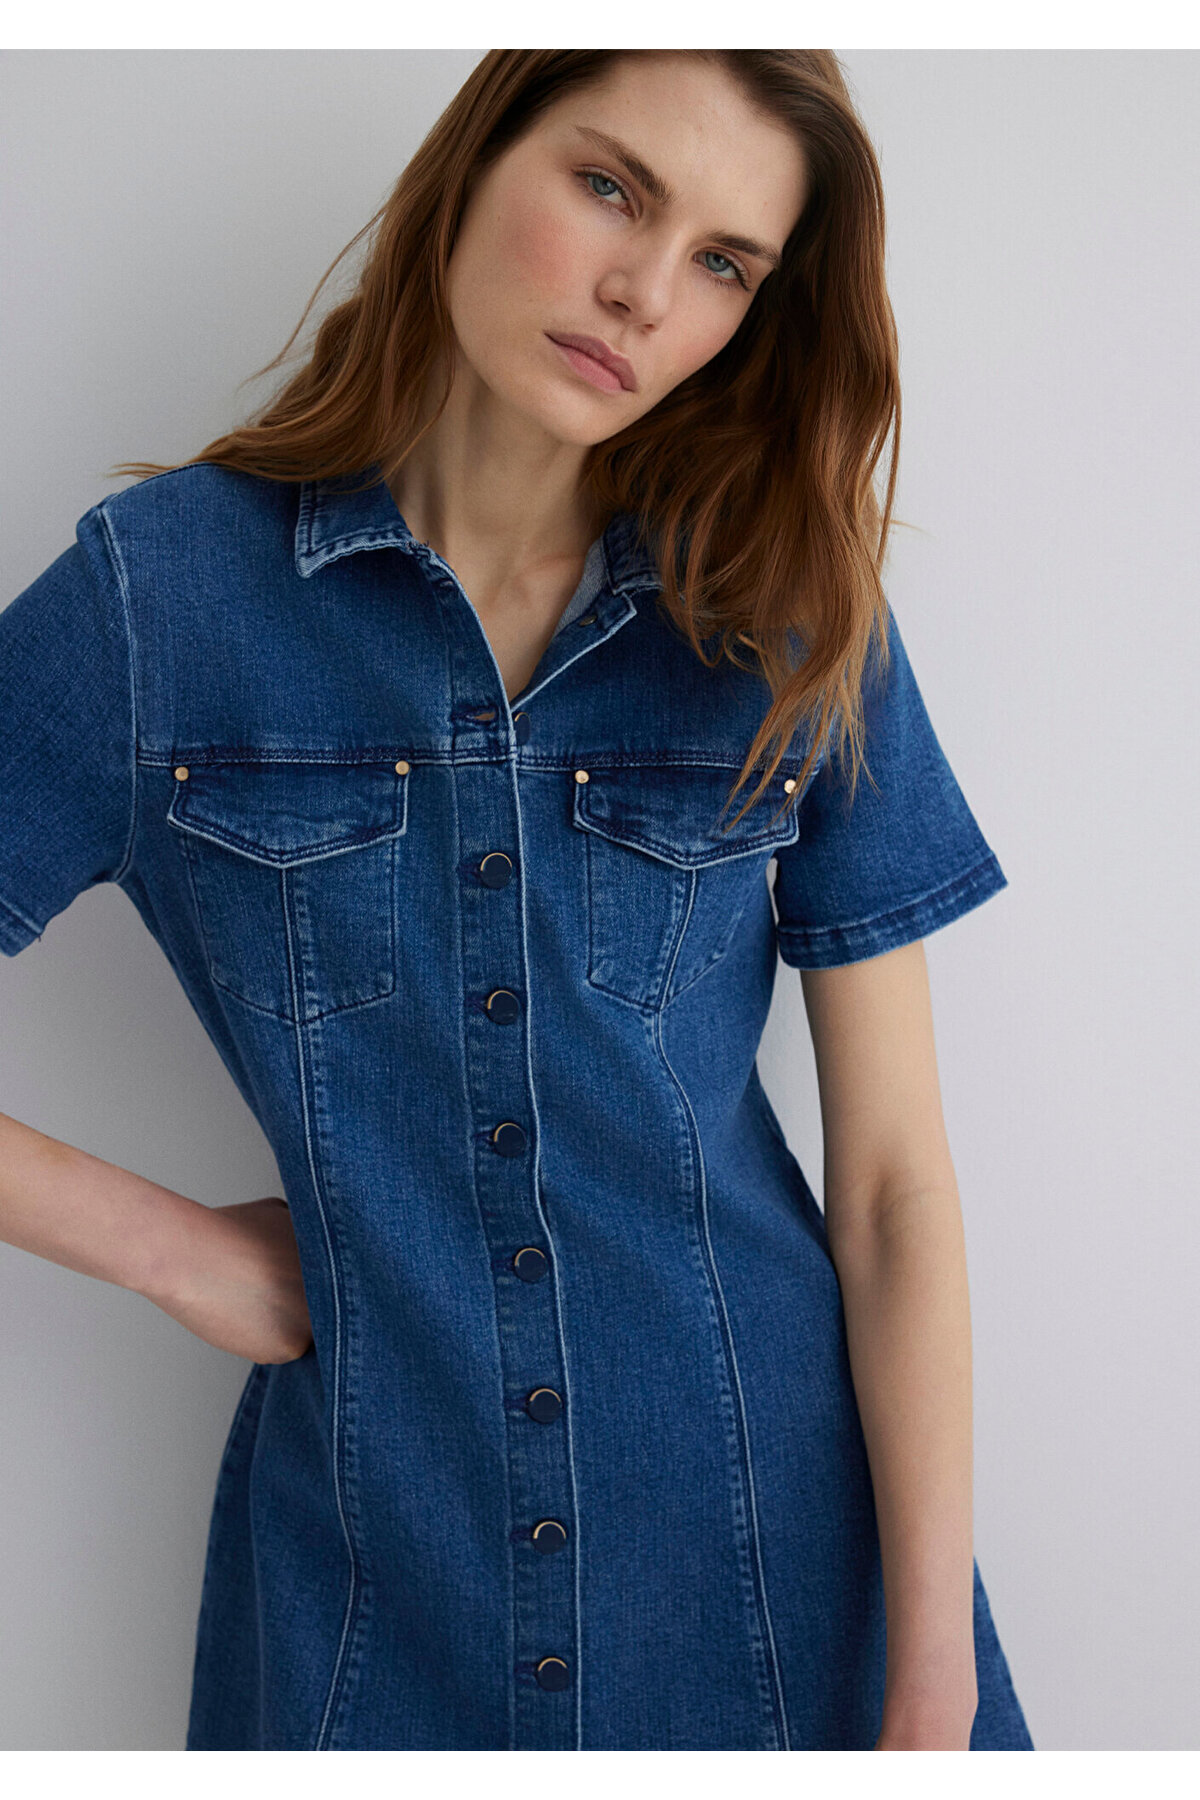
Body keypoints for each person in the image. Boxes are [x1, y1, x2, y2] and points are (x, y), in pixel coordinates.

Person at [0, 49, 1034, 1752]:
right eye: (612, 188)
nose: (644, 292)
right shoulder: (164, 600)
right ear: (478, 161)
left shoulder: (790, 618)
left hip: (781, 1573)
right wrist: (171, 1250)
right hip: (375, 1591)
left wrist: (928, 1681)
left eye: (723, 263)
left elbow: (895, 1194)